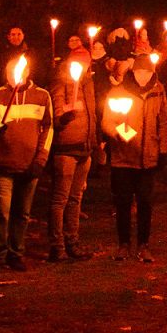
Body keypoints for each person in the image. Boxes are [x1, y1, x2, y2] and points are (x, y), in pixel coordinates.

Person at [0, 55, 53, 274]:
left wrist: (41, 159)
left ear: (26, 72)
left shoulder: (42, 95)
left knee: (22, 213)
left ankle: (15, 253)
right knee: (1, 212)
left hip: (29, 166)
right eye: (9, 72)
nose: (13, 76)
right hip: (1, 165)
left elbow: (48, 128)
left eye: (17, 72)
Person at [100, 51, 167, 262]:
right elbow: (107, 121)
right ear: (133, 72)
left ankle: (143, 245)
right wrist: (119, 132)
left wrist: (164, 151)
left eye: (147, 73)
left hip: (148, 158)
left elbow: (164, 121)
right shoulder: (119, 91)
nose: (143, 77)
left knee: (145, 203)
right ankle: (123, 244)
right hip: (124, 158)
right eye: (140, 72)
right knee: (123, 202)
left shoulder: (158, 91)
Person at [47, 44, 98, 262]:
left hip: (85, 149)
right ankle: (57, 246)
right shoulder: (60, 82)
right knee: (60, 199)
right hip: (66, 149)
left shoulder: (88, 83)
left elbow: (92, 114)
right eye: (79, 62)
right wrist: (66, 116)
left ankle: (72, 241)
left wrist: (95, 142)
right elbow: (56, 118)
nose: (83, 66)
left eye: (86, 62)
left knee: (76, 199)